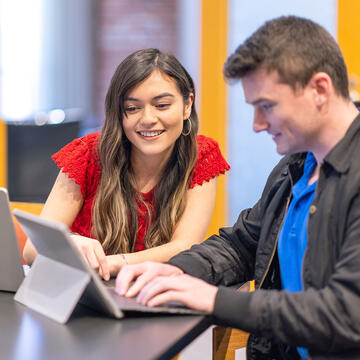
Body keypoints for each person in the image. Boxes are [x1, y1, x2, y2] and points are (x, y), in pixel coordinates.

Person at [115, 16, 360, 359]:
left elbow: (346, 313)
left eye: (267, 106)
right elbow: (241, 245)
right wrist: (174, 270)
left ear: (320, 89)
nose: (258, 125)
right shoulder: (295, 166)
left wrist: (214, 299)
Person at [23, 48, 230, 281]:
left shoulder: (202, 155)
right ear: (119, 113)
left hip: (152, 297)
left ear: (186, 105)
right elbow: (32, 250)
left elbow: (184, 246)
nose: (148, 119)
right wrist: (69, 243)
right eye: (132, 108)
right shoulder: (87, 154)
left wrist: (115, 263)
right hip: (82, 296)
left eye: (161, 105)